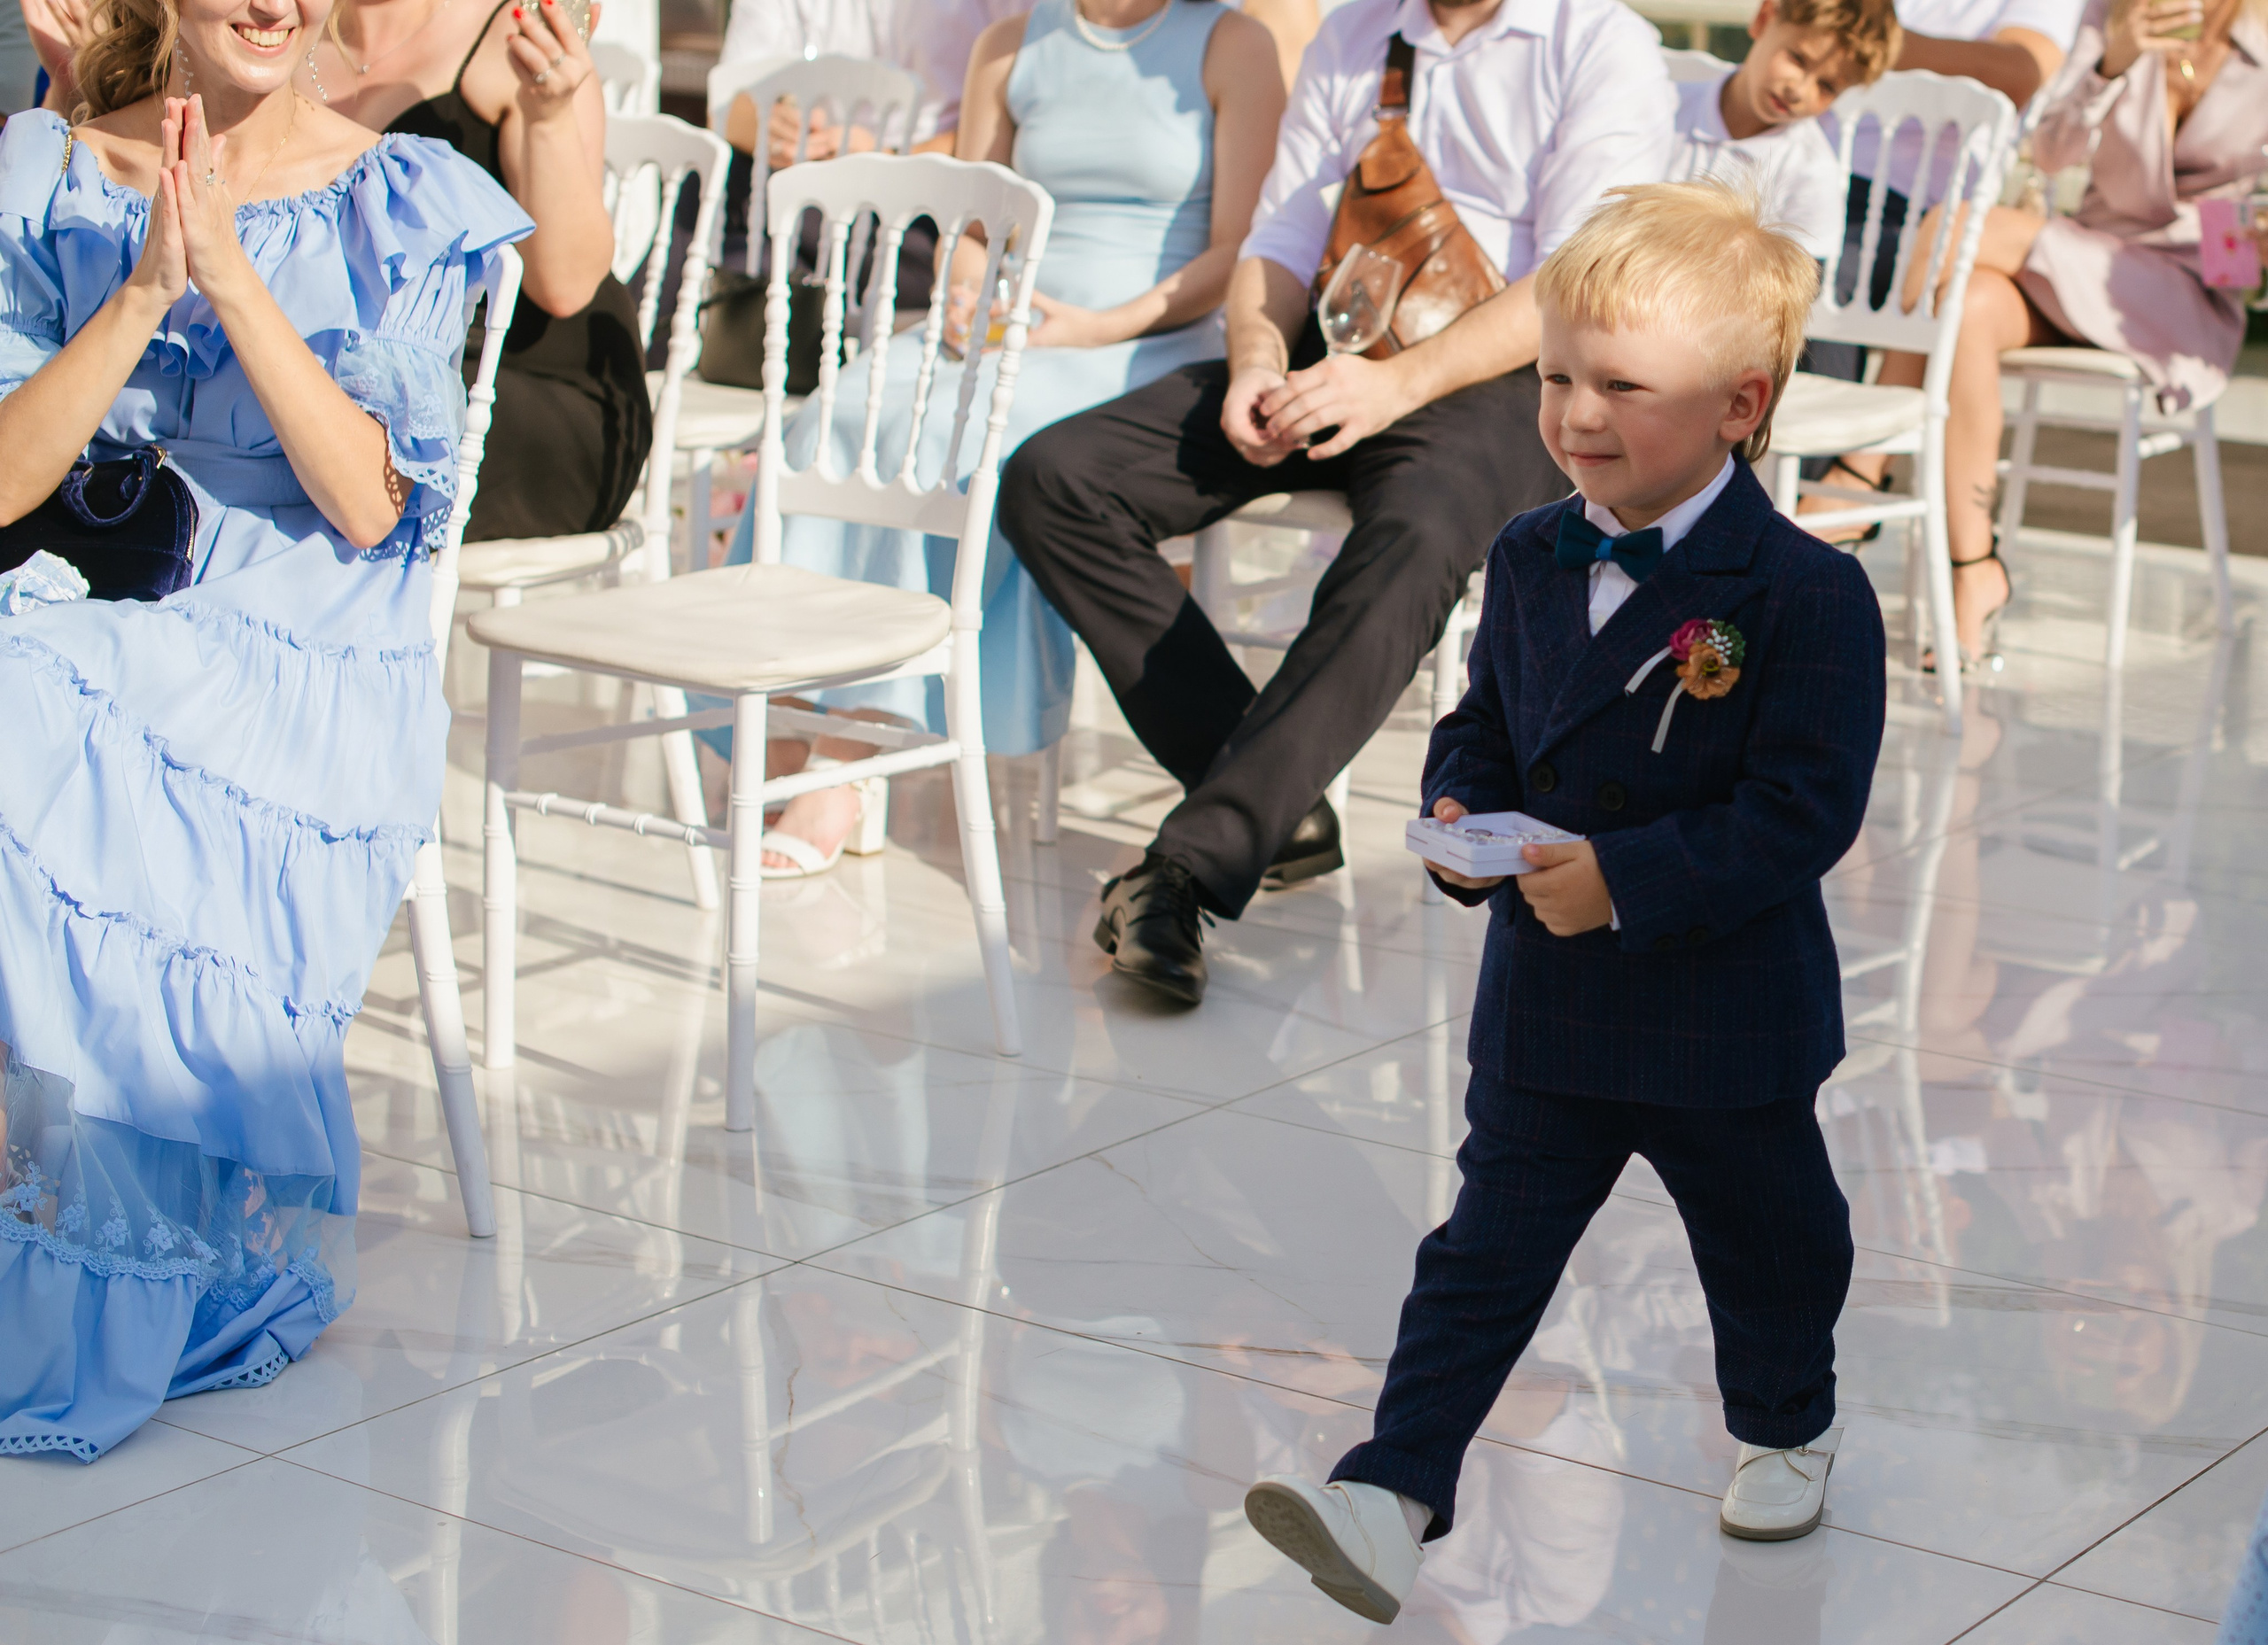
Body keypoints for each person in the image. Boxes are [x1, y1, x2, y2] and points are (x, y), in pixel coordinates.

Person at [1239, 181, 1886, 1620]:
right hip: (1553, 1003)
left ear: (1740, 401)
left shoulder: (1803, 596)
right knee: (1483, 1254)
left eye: (1620, 386)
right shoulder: (1534, 549)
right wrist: (1462, 799)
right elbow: (1492, 717)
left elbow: (1802, 811)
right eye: (1554, 378)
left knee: (1773, 1238)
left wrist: (1630, 881)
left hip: (1725, 1017)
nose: (1576, 414)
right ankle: (1391, 1489)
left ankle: (1787, 1418)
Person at [0, 0, 527, 1460]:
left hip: (311, 639)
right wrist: (135, 294)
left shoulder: (399, 193)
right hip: (119, 597)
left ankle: (88, 1241)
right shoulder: (45, 169)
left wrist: (227, 277)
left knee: (18, 713)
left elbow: (367, 504)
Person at [997, 0, 1675, 1007]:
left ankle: (1187, 869)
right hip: (1330, 351)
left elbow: (1574, 280)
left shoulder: (1598, 41)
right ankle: (1281, 799)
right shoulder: (1359, 31)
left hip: (1503, 382)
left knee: (1415, 537)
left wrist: (1398, 387)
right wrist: (1255, 363)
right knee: (1056, 477)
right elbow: (1281, 231)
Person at [703, 0, 1285, 878]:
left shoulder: (1232, 44)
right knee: (835, 418)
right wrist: (969, 301)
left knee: (961, 435)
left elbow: (1241, 248)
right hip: (1011, 326)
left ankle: (848, 757)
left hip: (1147, 338)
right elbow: (972, 231)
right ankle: (796, 700)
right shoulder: (1007, 45)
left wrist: (1096, 327)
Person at [1863, 0, 2268, 667]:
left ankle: (1861, 467)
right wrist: (2111, 62)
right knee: (1967, 302)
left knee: (1963, 227)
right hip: (2081, 260)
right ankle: (1975, 569)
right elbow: (2049, 153)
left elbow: (2246, 247)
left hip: (2186, 291)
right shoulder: (2111, 17)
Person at [300, 0, 647, 542]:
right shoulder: (272, 30)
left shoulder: (510, 30)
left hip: (523, 388)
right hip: (355, 367)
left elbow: (567, 286)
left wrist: (547, 115)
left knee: (321, 443)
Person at [1671, 0, 1901, 259]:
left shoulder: (1812, 171)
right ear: (1764, 19)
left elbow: (1799, 284)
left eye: (1826, 86)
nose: (1799, 90)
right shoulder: (1666, 106)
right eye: (1798, 59)